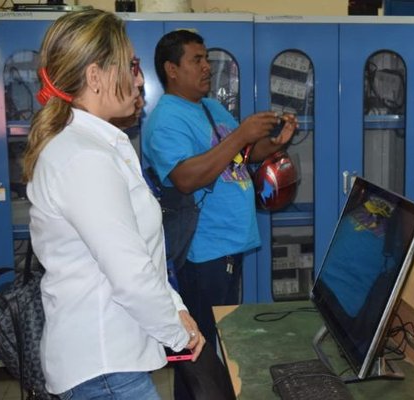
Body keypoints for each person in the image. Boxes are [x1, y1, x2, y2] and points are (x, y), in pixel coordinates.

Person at [22, 10, 205, 399]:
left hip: (108, 364)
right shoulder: (83, 157)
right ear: (95, 76)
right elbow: (129, 272)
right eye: (130, 66)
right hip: (104, 369)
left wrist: (175, 307)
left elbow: (137, 249)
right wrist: (177, 334)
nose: (138, 79)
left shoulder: (96, 146)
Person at [142, 29, 296, 399]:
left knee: (215, 341)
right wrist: (240, 133)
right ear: (171, 69)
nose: (207, 67)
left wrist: (269, 144)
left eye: (207, 58)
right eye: (196, 59)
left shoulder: (210, 108)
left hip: (228, 244)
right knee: (196, 351)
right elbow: (184, 178)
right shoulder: (166, 119)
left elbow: (237, 158)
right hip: (201, 251)